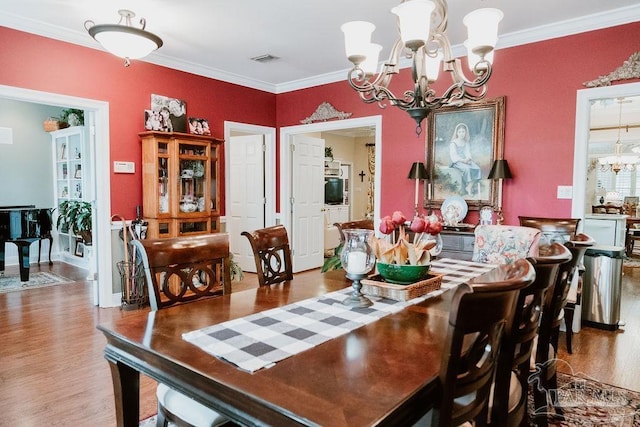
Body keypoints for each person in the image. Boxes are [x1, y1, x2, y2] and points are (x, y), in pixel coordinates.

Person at [449, 122, 482, 196]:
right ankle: (468, 187)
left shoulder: (465, 142)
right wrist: (463, 160)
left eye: (463, 132)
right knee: (467, 169)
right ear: (457, 133)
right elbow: (454, 155)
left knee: (477, 168)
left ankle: (469, 186)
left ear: (465, 132)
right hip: (457, 161)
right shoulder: (453, 143)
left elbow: (467, 152)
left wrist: (468, 158)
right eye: (460, 132)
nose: (461, 133)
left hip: (465, 160)